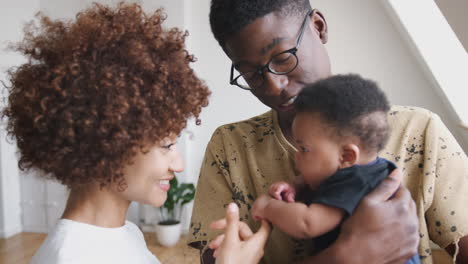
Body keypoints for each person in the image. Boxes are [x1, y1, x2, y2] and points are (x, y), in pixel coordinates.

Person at [188, 0, 468, 264]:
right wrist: (344, 257)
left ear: (318, 27)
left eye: (284, 57)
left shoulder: (418, 132)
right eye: (251, 74)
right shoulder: (230, 147)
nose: (273, 86)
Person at [2, 3, 212, 263]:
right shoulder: (73, 258)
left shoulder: (123, 234)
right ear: (108, 144)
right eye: (166, 146)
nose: (178, 165)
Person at [250, 74, 420, 264]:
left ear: (346, 156)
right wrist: (294, 186)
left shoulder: (353, 181)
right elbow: (319, 178)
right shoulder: (372, 170)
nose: (296, 156)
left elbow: (307, 223)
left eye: (304, 149)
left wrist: (268, 207)